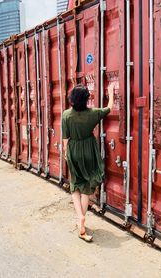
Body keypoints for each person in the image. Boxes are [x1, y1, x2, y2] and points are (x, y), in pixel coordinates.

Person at [62, 83, 115, 242]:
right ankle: (81, 220)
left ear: (72, 99)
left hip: (74, 149)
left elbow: (65, 139)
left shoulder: (66, 115)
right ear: (86, 99)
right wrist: (110, 93)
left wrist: (67, 154)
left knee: (75, 184)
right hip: (89, 150)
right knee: (86, 187)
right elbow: (109, 108)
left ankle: (79, 218)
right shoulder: (93, 113)